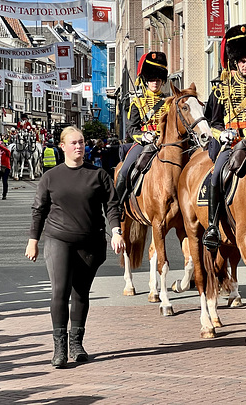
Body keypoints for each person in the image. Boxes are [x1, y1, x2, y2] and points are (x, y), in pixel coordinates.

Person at [25, 126, 125, 368]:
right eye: (73, 143)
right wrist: (33, 240)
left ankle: (76, 343)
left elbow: (112, 206)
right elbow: (39, 209)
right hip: (59, 238)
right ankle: (59, 347)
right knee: (60, 291)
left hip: (90, 241)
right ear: (63, 146)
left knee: (81, 292)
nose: (78, 146)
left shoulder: (98, 174)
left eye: (81, 142)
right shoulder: (51, 177)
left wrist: (116, 231)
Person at [203, 24, 246, 251]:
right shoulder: (221, 89)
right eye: (242, 61)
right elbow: (213, 122)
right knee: (217, 174)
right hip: (231, 144)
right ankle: (212, 225)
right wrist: (222, 135)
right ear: (235, 63)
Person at [114, 52, 170, 202]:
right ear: (146, 81)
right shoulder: (137, 103)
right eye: (151, 80)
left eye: (158, 79)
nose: (155, 83)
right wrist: (143, 136)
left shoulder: (169, 102)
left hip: (166, 143)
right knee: (125, 170)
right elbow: (132, 129)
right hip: (145, 143)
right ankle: (118, 205)